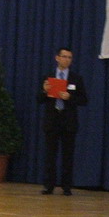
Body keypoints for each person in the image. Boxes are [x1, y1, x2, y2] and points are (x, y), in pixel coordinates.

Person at [38, 47, 88, 195]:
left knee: (68, 155)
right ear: (57, 58)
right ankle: (49, 186)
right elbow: (38, 99)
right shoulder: (48, 77)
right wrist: (44, 91)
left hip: (68, 122)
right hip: (52, 121)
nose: (67, 60)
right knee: (50, 155)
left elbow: (84, 100)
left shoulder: (76, 78)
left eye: (69, 58)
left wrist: (70, 97)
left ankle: (66, 186)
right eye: (64, 57)